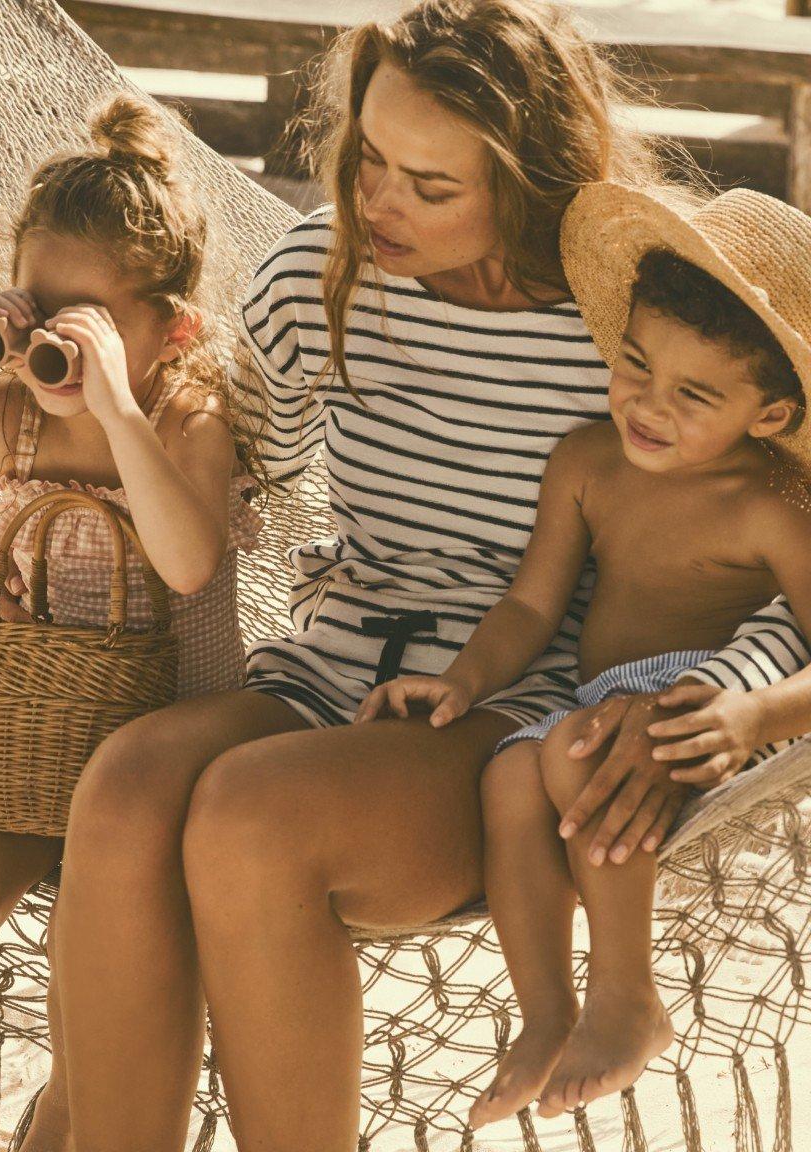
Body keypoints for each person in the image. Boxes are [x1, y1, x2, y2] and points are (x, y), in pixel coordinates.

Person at [52, 5, 809, 1151]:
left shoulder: (626, 336)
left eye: (430, 185)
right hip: (328, 662)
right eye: (367, 159)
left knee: (251, 819)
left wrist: (701, 713)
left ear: (525, 181)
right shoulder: (318, 278)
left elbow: (764, 545)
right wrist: (69, 400)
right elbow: (219, 472)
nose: (377, 203)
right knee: (125, 785)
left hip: (511, 708)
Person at [356, 182, 811, 1127]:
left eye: (694, 395)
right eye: (636, 367)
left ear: (768, 417)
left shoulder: (769, 508)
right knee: (509, 780)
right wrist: (461, 681)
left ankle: (627, 999)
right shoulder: (585, 462)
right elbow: (530, 604)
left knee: (565, 756)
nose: (648, 406)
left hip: (712, 717)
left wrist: (753, 717)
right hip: (593, 696)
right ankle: (546, 1009)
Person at [0, 94, 262, 1152]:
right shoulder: (6, 404)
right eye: (39, 310)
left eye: (84, 322)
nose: (54, 345)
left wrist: (119, 406)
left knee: (98, 1038)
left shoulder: (188, 412)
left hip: (154, 770)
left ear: (172, 328)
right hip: (24, 747)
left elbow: (186, 560)